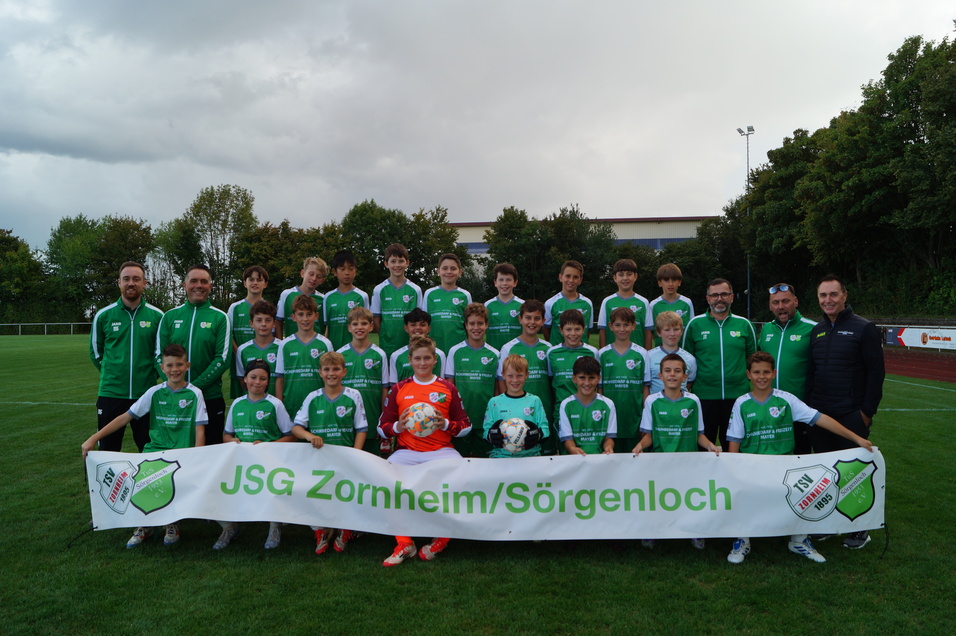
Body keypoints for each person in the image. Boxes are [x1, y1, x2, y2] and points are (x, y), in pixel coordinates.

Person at [725, 352, 874, 564]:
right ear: (748, 374)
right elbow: (735, 441)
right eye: (756, 372)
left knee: (805, 491)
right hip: (754, 466)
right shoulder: (741, 403)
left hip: (785, 465)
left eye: (766, 372)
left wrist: (856, 438)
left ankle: (799, 540)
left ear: (774, 373)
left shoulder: (786, 399)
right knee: (745, 496)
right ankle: (742, 540)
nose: (762, 376)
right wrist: (734, 469)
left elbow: (820, 419)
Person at [82, 344, 207, 548]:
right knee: (135, 476)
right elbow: (124, 417)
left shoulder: (195, 394)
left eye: (179, 364)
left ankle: (171, 523)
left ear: (187, 366)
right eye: (169, 365)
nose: (174, 369)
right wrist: (93, 438)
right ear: (162, 368)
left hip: (182, 452)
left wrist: (197, 457)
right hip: (154, 451)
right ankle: (144, 525)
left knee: (170, 482)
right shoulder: (154, 392)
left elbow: (199, 430)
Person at [378, 336, 472, 567]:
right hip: (407, 451)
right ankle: (404, 543)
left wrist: (446, 425)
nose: (422, 363)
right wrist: (400, 426)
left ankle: (441, 538)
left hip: (441, 450)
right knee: (386, 482)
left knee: (463, 480)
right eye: (417, 358)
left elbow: (466, 425)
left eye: (427, 358)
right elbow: (382, 428)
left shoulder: (447, 388)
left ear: (435, 360)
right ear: (410, 360)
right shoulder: (399, 388)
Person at [806, 274, 885, 549]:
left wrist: (866, 413)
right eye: (823, 295)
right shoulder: (816, 330)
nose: (828, 300)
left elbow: (876, 373)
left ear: (844, 296)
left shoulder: (864, 328)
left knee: (855, 473)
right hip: (822, 416)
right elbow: (812, 373)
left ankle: (860, 527)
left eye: (833, 295)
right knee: (826, 471)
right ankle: (828, 523)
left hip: (851, 414)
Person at [632, 353, 718, 551]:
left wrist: (710, 446)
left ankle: (695, 532)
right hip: (659, 462)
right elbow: (649, 436)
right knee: (659, 497)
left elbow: (699, 435)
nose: (672, 375)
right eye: (668, 371)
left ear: (685, 376)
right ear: (660, 376)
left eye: (677, 371)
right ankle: (653, 530)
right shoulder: (652, 401)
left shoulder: (693, 400)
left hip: (689, 460)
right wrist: (640, 446)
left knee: (691, 497)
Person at [292, 351, 368, 555]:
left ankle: (344, 530)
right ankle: (321, 530)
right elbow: (296, 427)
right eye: (326, 369)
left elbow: (361, 429)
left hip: (344, 457)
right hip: (318, 458)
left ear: (344, 371)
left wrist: (355, 455)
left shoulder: (353, 395)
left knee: (344, 494)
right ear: (320, 373)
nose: (331, 373)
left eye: (336, 369)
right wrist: (309, 436)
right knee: (316, 495)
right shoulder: (313, 397)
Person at [214, 359, 294, 551]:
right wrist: (231, 441)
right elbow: (227, 434)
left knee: (272, 493)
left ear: (268, 382)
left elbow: (290, 437)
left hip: (269, 463)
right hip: (241, 463)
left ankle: (275, 527)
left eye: (262, 378)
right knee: (217, 488)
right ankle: (229, 528)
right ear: (245, 379)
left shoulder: (275, 404)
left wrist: (268, 446)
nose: (257, 382)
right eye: (253, 377)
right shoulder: (237, 404)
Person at [89, 261, 164, 452]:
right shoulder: (104, 315)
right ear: (119, 283)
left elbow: (159, 354)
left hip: (145, 393)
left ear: (144, 283)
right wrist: (113, 372)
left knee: (148, 449)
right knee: (108, 450)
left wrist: (147, 376)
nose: (131, 283)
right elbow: (96, 353)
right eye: (126, 279)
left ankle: (148, 484)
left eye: (136, 279)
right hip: (111, 393)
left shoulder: (157, 316)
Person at [156, 264, 230, 445]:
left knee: (211, 453)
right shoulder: (170, 316)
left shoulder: (220, 317)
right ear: (184, 285)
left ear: (210, 286)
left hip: (209, 398)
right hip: (174, 398)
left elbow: (222, 359)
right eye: (194, 281)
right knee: (175, 451)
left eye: (204, 281)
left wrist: (193, 388)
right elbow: (159, 356)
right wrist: (177, 387)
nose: (199, 285)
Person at [681, 278, 756, 449]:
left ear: (731, 297)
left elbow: (754, 361)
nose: (719, 299)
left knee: (735, 448)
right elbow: (686, 361)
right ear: (708, 299)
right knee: (703, 447)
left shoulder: (744, 324)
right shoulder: (695, 324)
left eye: (724, 294)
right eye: (714, 295)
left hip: (737, 398)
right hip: (704, 397)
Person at [757, 283, 817, 454]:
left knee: (800, 456)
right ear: (770, 306)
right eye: (775, 303)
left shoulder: (812, 328)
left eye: (786, 301)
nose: (781, 306)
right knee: (770, 457)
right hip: (768, 409)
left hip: (799, 409)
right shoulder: (767, 329)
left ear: (796, 302)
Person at [497, 300, 553, 447]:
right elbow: (501, 381)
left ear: (543, 321)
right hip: (515, 414)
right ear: (520, 319)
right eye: (528, 317)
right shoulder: (508, 348)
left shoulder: (549, 349)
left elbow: (552, 381)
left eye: (537, 318)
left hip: (543, 411)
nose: (532, 322)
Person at [446, 303, 500, 457]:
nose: (476, 327)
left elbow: (497, 387)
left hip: (485, 418)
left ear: (487, 325)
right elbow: (450, 385)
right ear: (465, 325)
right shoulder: (455, 351)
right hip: (461, 417)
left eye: (480, 323)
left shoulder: (494, 353)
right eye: (472, 323)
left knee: (483, 461)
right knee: (459, 460)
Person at [598, 307, 650, 453]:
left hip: (634, 418)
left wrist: (645, 418)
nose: (622, 329)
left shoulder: (642, 353)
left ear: (633, 326)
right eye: (618, 325)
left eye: (626, 325)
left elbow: (645, 387)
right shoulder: (602, 354)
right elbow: (600, 389)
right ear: (610, 326)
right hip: (611, 418)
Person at [337, 306, 388, 455]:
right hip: (346, 417)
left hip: (371, 416)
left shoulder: (380, 354)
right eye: (355, 324)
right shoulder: (341, 354)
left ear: (371, 327)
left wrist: (382, 418)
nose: (359, 327)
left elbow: (384, 388)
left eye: (364, 324)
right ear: (349, 328)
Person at [275, 295, 333, 419]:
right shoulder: (285, 345)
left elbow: (331, 377)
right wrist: (279, 406)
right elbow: (280, 379)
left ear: (316, 316)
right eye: (300, 314)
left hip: (319, 404)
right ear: (293, 317)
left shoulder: (325, 343)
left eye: (309, 314)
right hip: (292, 405)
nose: (305, 319)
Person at [484, 355, 548, 458]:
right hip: (501, 457)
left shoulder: (534, 401)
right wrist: (491, 436)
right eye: (510, 375)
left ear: (527, 375)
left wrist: (538, 434)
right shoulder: (494, 402)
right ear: (503, 375)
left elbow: (545, 429)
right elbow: (486, 430)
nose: (515, 380)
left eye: (519, 375)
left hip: (530, 456)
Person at [370, 243, 422, 359]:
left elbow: (419, 318)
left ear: (407, 263)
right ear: (386, 264)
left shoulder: (415, 290)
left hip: (411, 345)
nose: (397, 265)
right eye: (393, 261)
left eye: (401, 261)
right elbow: (376, 318)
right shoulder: (379, 289)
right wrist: (385, 336)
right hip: (387, 345)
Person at [547, 309, 598, 425]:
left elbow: (597, 383)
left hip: (586, 411)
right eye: (568, 329)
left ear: (584, 329)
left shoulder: (592, 352)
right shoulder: (552, 353)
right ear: (561, 330)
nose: (573, 334)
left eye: (577, 329)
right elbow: (551, 383)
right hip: (560, 411)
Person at [557, 356, 616, 455]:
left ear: (598, 378)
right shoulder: (566, 405)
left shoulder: (608, 404)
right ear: (574, 378)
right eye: (582, 378)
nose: (587, 383)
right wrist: (572, 449)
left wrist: (608, 447)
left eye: (591, 378)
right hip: (575, 460)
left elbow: (609, 438)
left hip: (599, 459)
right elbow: (568, 440)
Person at [228, 266, 269, 399]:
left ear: (265, 284)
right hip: (240, 362)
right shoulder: (235, 308)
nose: (255, 283)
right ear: (245, 283)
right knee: (242, 400)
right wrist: (240, 354)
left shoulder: (269, 307)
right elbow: (229, 336)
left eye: (259, 280)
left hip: (263, 363)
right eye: (251, 279)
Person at [421, 253, 472, 355]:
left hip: (458, 348)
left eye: (453, 268)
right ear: (438, 271)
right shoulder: (429, 294)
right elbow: (424, 323)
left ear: (460, 272)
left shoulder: (465, 295)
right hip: (434, 348)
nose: (449, 272)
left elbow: (469, 324)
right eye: (445, 268)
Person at [597, 259, 653, 349]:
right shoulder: (607, 302)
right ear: (615, 278)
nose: (625, 278)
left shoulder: (643, 302)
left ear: (635, 276)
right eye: (621, 274)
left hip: (637, 356)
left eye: (629, 274)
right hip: (612, 356)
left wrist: (647, 354)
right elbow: (603, 331)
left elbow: (647, 331)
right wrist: (602, 354)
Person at [324, 250, 369, 351]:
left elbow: (366, 327)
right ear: (334, 272)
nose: (347, 273)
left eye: (351, 268)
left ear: (355, 271)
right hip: (334, 351)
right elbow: (327, 328)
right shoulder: (328, 297)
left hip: (356, 351)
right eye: (342, 269)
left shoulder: (362, 296)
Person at [388, 308, 446, 385]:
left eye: (422, 325)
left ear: (428, 328)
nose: (418, 328)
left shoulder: (439, 354)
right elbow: (394, 386)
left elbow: (443, 382)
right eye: (413, 325)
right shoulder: (396, 356)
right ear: (406, 328)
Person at [235, 300, 280, 396]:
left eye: (268, 320)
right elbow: (242, 382)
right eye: (259, 320)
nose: (263, 324)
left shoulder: (282, 347)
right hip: (253, 404)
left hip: (277, 404)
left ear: (274, 323)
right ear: (251, 323)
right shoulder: (243, 350)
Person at [543, 260, 593, 346]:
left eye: (575, 277)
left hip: (582, 353)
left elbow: (587, 331)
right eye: (568, 276)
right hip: (558, 353)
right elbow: (546, 330)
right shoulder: (550, 303)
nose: (571, 280)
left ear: (580, 280)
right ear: (560, 277)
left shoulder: (587, 303)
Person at [646, 311, 697, 395]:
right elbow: (646, 385)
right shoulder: (648, 356)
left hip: (680, 405)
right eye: (667, 330)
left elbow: (689, 382)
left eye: (676, 329)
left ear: (681, 331)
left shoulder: (690, 358)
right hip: (656, 405)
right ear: (658, 332)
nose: (672, 334)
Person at [276, 257, 327, 339]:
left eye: (319, 276)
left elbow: (326, 326)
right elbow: (278, 321)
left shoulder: (323, 299)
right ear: (303, 273)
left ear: (322, 280)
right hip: (291, 346)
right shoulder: (287, 294)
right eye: (311, 274)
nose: (314, 278)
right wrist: (280, 342)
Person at [649, 263, 695, 348]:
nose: (670, 284)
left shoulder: (687, 303)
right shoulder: (653, 305)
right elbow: (650, 332)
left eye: (674, 280)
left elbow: (691, 329)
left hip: (683, 351)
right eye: (666, 280)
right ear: (659, 283)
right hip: (661, 353)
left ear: (679, 282)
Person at [484, 263, 525, 351]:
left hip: (516, 354)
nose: (504, 283)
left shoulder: (522, 305)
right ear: (495, 282)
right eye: (501, 280)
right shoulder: (487, 305)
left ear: (515, 283)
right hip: (494, 354)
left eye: (508, 280)